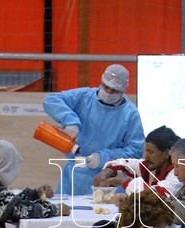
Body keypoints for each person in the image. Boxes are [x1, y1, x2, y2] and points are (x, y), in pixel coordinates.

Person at [43, 64, 145, 195]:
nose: (108, 93)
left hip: (108, 180)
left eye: (114, 91)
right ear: (101, 82)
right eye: (106, 87)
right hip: (74, 176)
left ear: (123, 90)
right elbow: (51, 100)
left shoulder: (130, 113)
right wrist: (70, 120)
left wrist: (104, 157)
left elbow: (135, 151)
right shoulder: (84, 97)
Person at [93, 125, 182, 203]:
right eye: (146, 151)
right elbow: (125, 164)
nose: (146, 157)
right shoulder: (151, 166)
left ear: (166, 153)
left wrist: (125, 181)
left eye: (151, 152)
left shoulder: (177, 175)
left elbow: (155, 198)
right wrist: (108, 171)